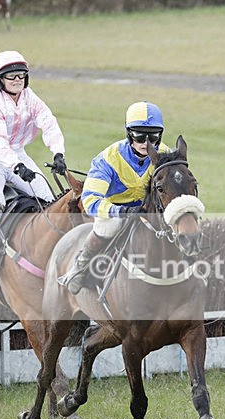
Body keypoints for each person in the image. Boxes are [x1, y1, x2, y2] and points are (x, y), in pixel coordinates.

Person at [0, 50, 68, 280]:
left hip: (18, 154)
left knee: (46, 198)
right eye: (11, 76)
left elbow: (49, 122)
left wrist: (58, 153)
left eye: (21, 75)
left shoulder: (30, 98)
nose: (17, 80)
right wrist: (16, 166)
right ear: (0, 80)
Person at [61, 101, 168, 294]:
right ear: (129, 133)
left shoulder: (165, 154)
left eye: (153, 136)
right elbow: (90, 200)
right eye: (139, 135)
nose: (146, 142)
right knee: (109, 226)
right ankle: (81, 266)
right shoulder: (107, 159)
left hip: (150, 210)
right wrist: (120, 211)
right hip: (115, 211)